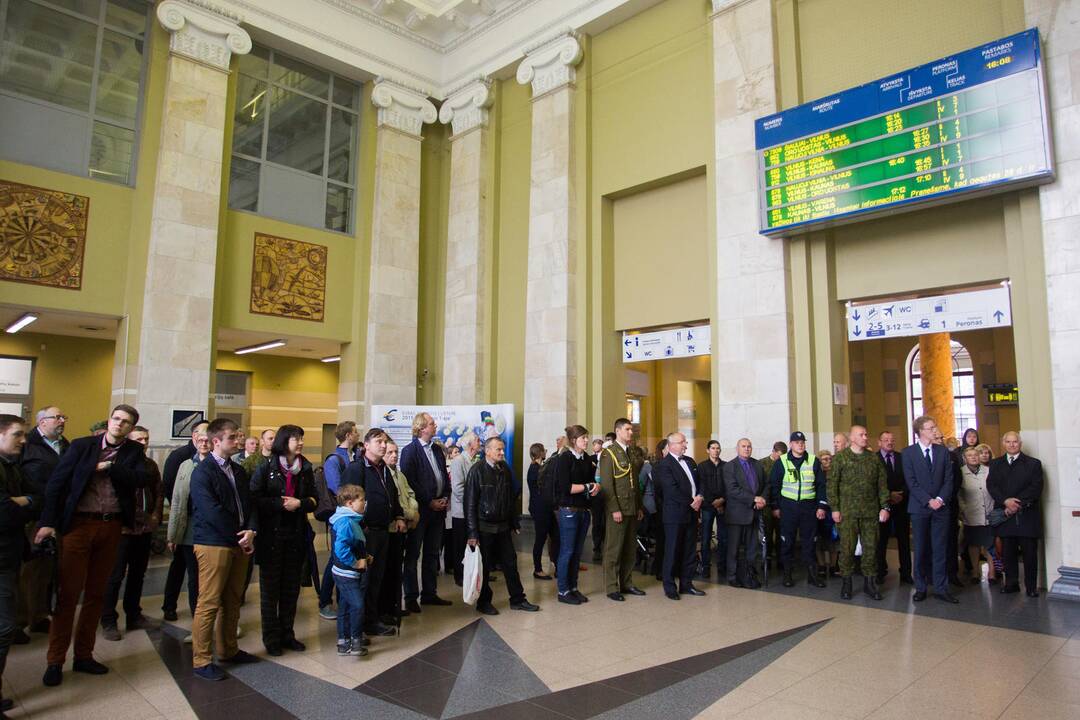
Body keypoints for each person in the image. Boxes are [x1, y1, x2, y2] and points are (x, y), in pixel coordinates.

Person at [36, 404, 149, 687]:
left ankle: (84, 655)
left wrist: (110, 467)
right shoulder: (81, 446)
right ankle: (55, 660)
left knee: (97, 593)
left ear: (130, 428)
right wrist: (48, 522)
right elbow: (57, 484)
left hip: (111, 525)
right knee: (68, 594)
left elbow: (139, 479)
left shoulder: (133, 452)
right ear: (109, 420)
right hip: (78, 525)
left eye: (126, 422)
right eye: (116, 419)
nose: (119, 425)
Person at [188, 418, 260, 681]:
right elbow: (210, 511)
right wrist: (238, 535)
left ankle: (229, 649)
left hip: (239, 541)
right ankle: (201, 659)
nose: (238, 440)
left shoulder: (238, 471)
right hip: (213, 542)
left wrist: (251, 530)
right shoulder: (203, 472)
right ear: (216, 441)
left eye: (239, 436)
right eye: (232, 437)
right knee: (209, 602)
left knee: (233, 599)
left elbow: (249, 505)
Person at [250, 425, 316, 655]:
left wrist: (300, 504)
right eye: (296, 439)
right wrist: (279, 503)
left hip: (295, 536)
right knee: (270, 592)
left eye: (301, 438)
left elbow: (315, 500)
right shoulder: (266, 466)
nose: (300, 443)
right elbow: (255, 499)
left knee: (291, 590)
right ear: (283, 441)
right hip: (271, 537)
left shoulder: (305, 468)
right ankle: (272, 639)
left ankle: (288, 634)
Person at [464, 437, 539, 615]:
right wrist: (472, 533)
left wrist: (514, 521)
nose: (502, 452)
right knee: (485, 567)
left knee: (510, 564)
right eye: (498, 449)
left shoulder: (504, 469)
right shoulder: (477, 471)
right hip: (484, 528)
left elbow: (509, 497)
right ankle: (483, 602)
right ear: (487, 451)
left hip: (503, 526)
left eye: (502, 449)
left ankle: (518, 599)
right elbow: (470, 504)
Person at [101, 425, 163, 640]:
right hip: (123, 529)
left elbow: (157, 491)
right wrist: (140, 516)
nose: (143, 443)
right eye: (138, 439)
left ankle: (133, 614)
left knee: (138, 573)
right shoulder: (118, 463)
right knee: (115, 575)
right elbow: (115, 495)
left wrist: (155, 516)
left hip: (144, 529)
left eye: (146, 439)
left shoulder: (149, 465)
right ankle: (108, 618)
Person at [343, 429, 404, 637]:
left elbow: (393, 496)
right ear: (366, 445)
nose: (384, 445)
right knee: (362, 581)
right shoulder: (357, 468)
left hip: (383, 532)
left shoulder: (385, 469)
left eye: (385, 441)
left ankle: (371, 619)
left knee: (376, 579)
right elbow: (348, 501)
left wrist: (398, 516)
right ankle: (356, 627)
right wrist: (361, 526)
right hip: (364, 532)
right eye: (379, 441)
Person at [0, 415, 41, 716]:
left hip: (9, 555)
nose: (24, 440)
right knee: (3, 628)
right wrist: (20, 504)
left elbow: (38, 498)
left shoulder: (12, 467)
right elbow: (4, 513)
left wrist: (21, 501)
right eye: (17, 435)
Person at [17, 406, 68, 640]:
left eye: (63, 417)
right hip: (33, 515)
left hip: (57, 516)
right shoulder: (27, 446)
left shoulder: (65, 446)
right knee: (27, 570)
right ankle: (17, 622)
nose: (61, 421)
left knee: (46, 570)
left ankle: (38, 615)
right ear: (42, 421)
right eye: (56, 417)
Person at [828, 426, 890, 601]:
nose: (865, 437)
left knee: (871, 549)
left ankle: (870, 584)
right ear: (853, 438)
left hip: (870, 513)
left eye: (866, 434)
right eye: (861, 435)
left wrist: (885, 506)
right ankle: (846, 583)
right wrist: (835, 509)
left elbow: (882, 485)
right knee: (847, 550)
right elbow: (832, 485)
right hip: (847, 513)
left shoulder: (873, 459)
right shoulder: (840, 458)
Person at [901, 415, 957, 604]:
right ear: (920, 432)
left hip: (941, 508)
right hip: (919, 508)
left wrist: (940, 499)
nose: (935, 430)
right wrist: (928, 501)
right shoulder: (908, 453)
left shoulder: (943, 452)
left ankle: (941, 587)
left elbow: (949, 480)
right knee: (921, 548)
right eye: (931, 428)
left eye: (934, 427)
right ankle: (921, 587)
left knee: (940, 548)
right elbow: (911, 482)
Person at [399, 413, 452, 613]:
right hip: (420, 511)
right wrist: (429, 501)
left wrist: (445, 496)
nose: (435, 425)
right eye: (431, 423)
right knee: (413, 554)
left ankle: (430, 593)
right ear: (422, 428)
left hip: (438, 510)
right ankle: (411, 596)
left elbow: (444, 475)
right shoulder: (409, 451)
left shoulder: (437, 449)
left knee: (432, 553)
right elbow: (409, 482)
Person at [161, 418, 209, 622]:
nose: (204, 440)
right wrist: (174, 531)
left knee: (197, 574)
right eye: (201, 435)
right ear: (194, 435)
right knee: (179, 567)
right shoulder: (181, 459)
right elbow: (175, 494)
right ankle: (169, 605)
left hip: (205, 527)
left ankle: (202, 616)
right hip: (186, 523)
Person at [769, 432, 827, 588]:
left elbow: (821, 485)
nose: (800, 444)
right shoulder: (781, 462)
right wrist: (775, 506)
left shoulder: (813, 461)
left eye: (802, 442)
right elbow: (774, 485)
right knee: (787, 541)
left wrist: (821, 506)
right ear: (791, 444)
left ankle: (812, 575)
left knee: (810, 541)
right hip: (788, 507)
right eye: (796, 442)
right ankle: (787, 574)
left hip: (809, 508)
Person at [988, 432, 1043, 597]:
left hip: (1026, 515)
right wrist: (1005, 501)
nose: (1012, 445)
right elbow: (992, 486)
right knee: (1008, 552)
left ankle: (1031, 587)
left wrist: (1016, 503)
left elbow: (1036, 488)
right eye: (1008, 442)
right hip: (1005, 514)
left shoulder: (1033, 464)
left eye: (1015, 442)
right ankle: (1011, 583)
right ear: (1003, 443)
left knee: (1029, 553)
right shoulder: (996, 464)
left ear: (1020, 443)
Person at [653, 432, 706, 600]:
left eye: (685, 442)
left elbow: (699, 483)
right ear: (672, 445)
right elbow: (671, 490)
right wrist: (692, 501)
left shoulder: (690, 462)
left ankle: (687, 584)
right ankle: (669, 587)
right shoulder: (664, 465)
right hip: (674, 514)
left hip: (691, 513)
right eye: (682, 442)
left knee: (690, 550)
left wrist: (700, 497)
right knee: (672, 550)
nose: (685, 445)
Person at [318, 420, 360, 621]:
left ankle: (346, 599)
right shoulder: (334, 460)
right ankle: (324, 600)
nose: (358, 434)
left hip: (355, 517)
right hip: (341, 517)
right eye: (355, 431)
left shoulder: (355, 455)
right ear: (348, 435)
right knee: (336, 559)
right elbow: (337, 489)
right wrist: (357, 496)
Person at [599, 419, 644, 601]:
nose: (630, 433)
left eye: (631, 430)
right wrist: (614, 509)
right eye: (627, 429)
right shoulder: (609, 453)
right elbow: (607, 485)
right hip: (618, 508)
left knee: (629, 548)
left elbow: (635, 483)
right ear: (617, 431)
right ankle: (611, 587)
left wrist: (639, 506)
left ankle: (627, 583)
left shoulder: (630, 451)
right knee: (614, 549)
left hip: (631, 506)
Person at [553, 425, 597, 605]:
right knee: (567, 550)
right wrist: (587, 487)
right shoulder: (564, 458)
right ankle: (563, 590)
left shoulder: (586, 458)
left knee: (577, 552)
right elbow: (566, 487)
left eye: (586, 437)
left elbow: (590, 480)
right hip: (569, 510)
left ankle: (573, 587)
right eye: (583, 438)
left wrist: (594, 486)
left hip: (584, 509)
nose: (586, 441)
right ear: (573, 440)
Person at [328, 484, 370, 657]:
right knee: (358, 605)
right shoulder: (345, 522)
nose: (365, 503)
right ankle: (355, 640)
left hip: (345, 572)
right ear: (350, 503)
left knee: (345, 605)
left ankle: (343, 642)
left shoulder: (350, 519)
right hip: (346, 573)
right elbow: (341, 549)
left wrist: (365, 557)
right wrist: (355, 563)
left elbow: (354, 544)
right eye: (362, 500)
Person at [722, 438, 767, 588]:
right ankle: (733, 576)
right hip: (736, 514)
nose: (747, 449)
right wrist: (754, 499)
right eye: (743, 446)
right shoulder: (730, 466)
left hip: (754, 513)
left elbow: (766, 485)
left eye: (749, 446)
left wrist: (763, 499)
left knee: (752, 548)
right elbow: (732, 490)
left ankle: (749, 575)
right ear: (737, 448)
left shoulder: (757, 464)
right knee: (734, 549)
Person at [381, 440, 417, 624]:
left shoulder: (400, 475)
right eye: (390, 452)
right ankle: (386, 609)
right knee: (389, 570)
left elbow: (410, 495)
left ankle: (395, 605)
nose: (394, 455)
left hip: (405, 525)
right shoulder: (384, 475)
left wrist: (414, 512)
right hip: (391, 528)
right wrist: (408, 514)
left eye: (396, 452)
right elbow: (395, 504)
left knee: (397, 570)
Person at [875, 431, 912, 585]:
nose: (889, 442)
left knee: (904, 540)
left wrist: (901, 494)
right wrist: (889, 495)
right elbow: (873, 482)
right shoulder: (874, 459)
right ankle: (880, 570)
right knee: (881, 540)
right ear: (879, 442)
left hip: (902, 504)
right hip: (882, 505)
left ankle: (906, 572)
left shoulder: (902, 458)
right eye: (886, 440)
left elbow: (909, 478)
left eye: (892, 440)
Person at [958, 446, 996, 584]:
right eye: (970, 455)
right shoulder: (961, 473)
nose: (973, 457)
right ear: (965, 458)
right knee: (973, 544)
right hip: (971, 513)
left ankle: (992, 573)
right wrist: (963, 509)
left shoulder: (988, 471)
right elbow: (959, 494)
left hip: (988, 512)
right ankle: (975, 571)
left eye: (976, 455)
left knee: (989, 544)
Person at [448, 431, 479, 586]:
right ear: (470, 445)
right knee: (460, 545)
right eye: (477, 440)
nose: (480, 442)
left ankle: (474, 573)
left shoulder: (475, 461)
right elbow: (458, 488)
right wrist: (470, 506)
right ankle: (460, 576)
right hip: (462, 512)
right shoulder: (459, 461)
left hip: (473, 512)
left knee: (473, 544)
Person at [527, 443, 558, 580]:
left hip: (546, 507)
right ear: (540, 453)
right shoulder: (535, 469)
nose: (546, 451)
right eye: (544, 450)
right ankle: (538, 569)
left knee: (556, 536)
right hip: (540, 508)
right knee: (540, 538)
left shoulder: (539, 467)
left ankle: (557, 564)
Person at [697, 440, 726, 580]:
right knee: (706, 537)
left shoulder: (726, 466)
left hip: (723, 506)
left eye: (718, 448)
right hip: (708, 506)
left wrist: (722, 501)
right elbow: (701, 487)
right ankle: (705, 567)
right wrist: (712, 502)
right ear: (708, 450)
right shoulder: (702, 466)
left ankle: (722, 566)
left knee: (723, 537)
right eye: (713, 448)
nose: (716, 450)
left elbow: (729, 485)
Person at [760, 441, 787, 571]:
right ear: (774, 451)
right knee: (767, 534)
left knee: (781, 533)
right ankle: (767, 560)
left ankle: (782, 560)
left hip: (781, 504)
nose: (781, 458)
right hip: (766, 505)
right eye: (779, 455)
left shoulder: (785, 463)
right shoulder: (761, 464)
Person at [815, 450, 838, 579]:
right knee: (819, 540)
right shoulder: (817, 474)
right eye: (824, 459)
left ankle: (833, 566)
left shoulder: (835, 473)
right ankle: (822, 565)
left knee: (833, 541)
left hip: (833, 510)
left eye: (829, 459)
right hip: (819, 510)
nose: (828, 461)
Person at [589, 438, 606, 562]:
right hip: (595, 494)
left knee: (605, 520)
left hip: (606, 492)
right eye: (594, 444)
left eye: (597, 444)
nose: (595, 446)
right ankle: (597, 547)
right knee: (597, 521)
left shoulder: (606, 458)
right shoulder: (591, 459)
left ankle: (605, 544)